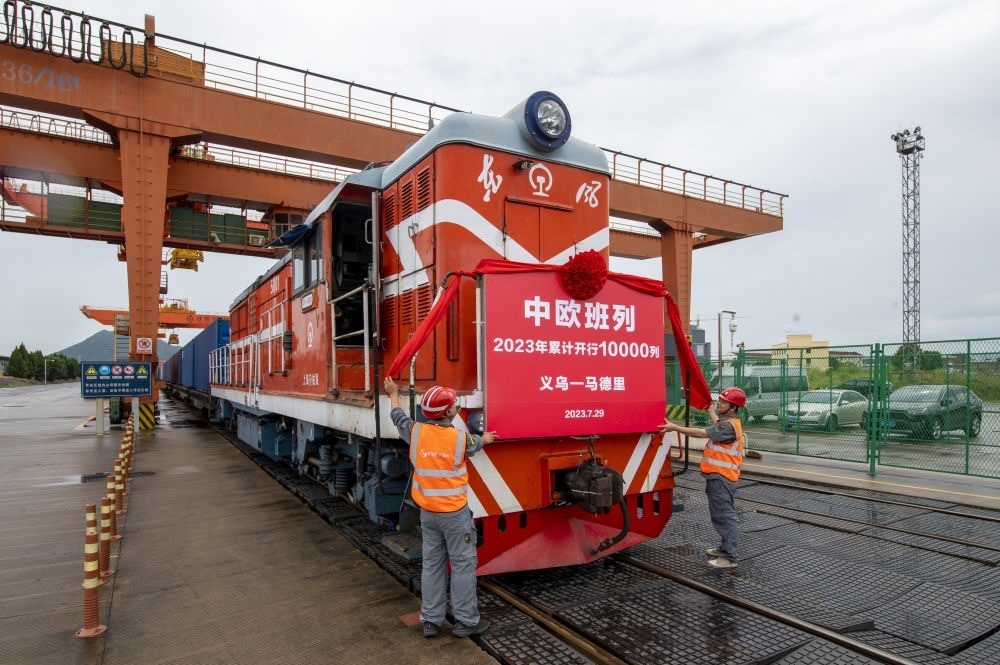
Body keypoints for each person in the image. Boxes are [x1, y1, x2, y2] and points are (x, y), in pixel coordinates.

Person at [384, 376, 498, 638]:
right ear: (447, 413)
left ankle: (430, 620)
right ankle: (466, 621)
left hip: (428, 514)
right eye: (454, 405)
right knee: (462, 565)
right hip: (455, 516)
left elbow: (398, 417)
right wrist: (486, 438)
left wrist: (393, 394)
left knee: (432, 564)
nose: (456, 406)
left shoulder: (415, 432)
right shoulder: (460, 439)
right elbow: (478, 443)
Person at [660, 386, 746, 569]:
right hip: (720, 477)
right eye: (720, 400)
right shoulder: (728, 423)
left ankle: (730, 557)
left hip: (722, 478)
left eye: (723, 402)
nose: (719, 403)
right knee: (720, 515)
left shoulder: (728, 427)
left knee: (724, 517)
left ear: (733, 408)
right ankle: (724, 548)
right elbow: (716, 424)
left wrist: (675, 428)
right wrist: (709, 409)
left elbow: (702, 433)